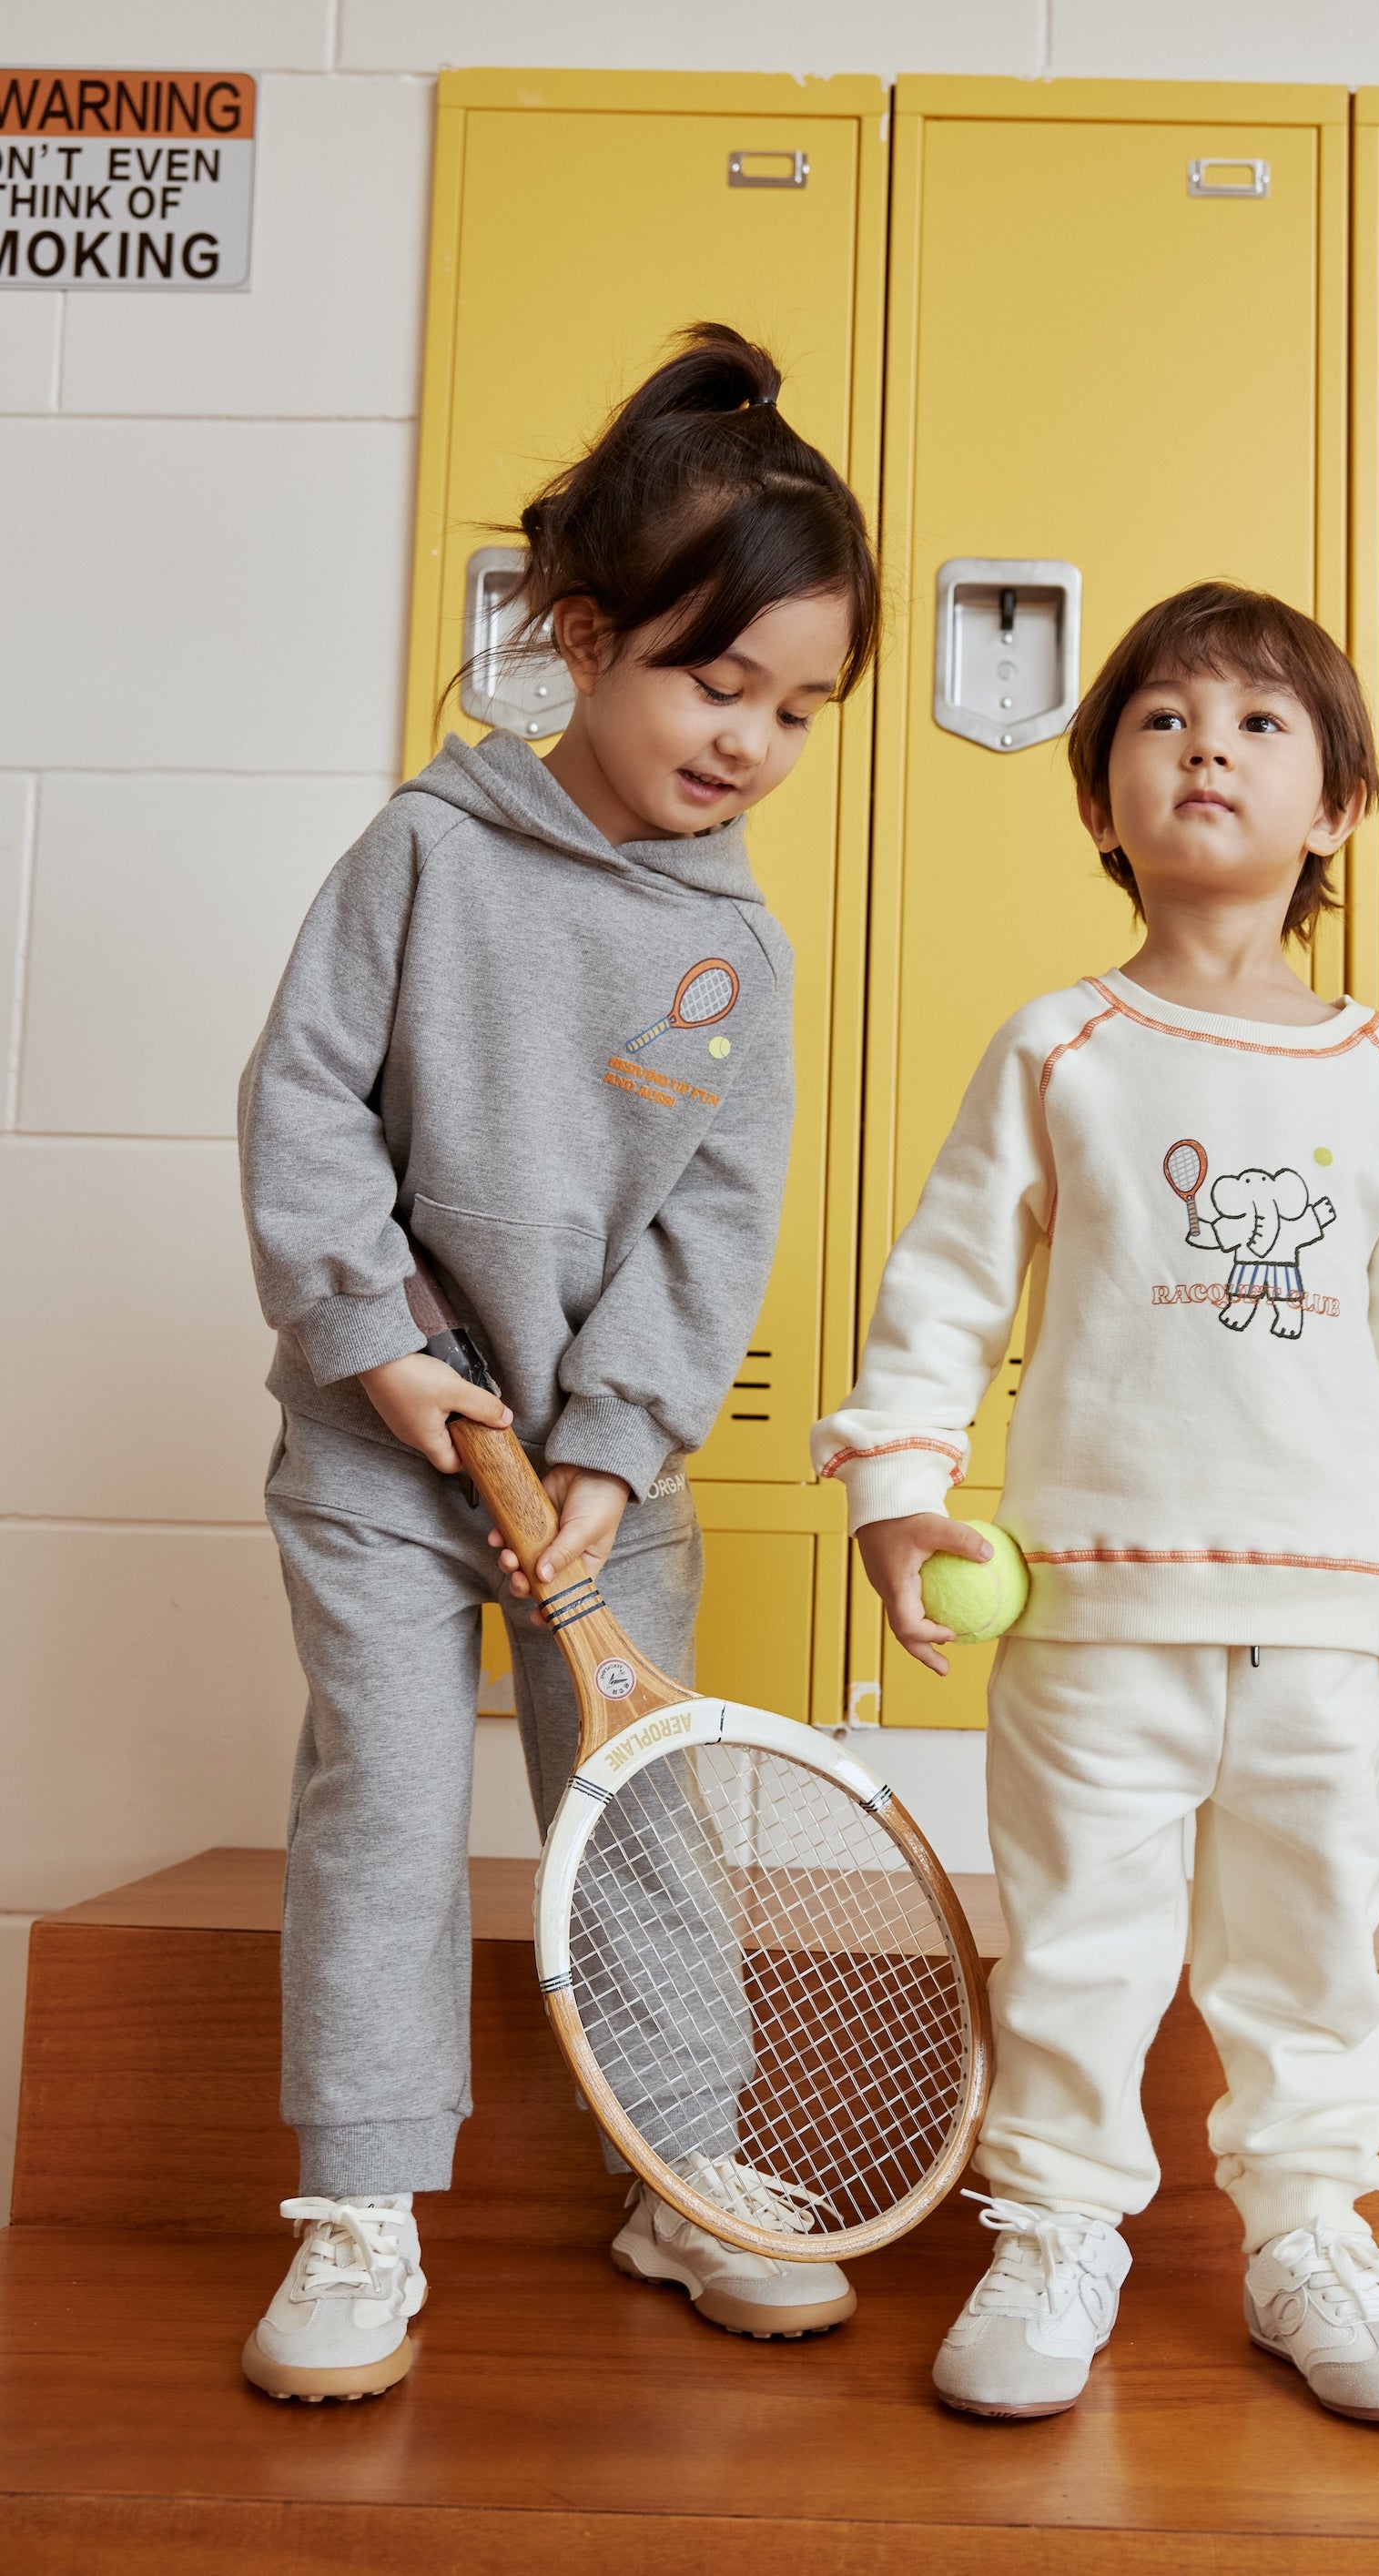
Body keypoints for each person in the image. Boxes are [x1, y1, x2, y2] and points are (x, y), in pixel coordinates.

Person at [812, 580, 1379, 2423]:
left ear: (1339, 810)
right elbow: (947, 1288)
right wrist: (902, 1486)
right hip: (1087, 1616)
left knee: (1309, 1950)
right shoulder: (1060, 1047)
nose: (1205, 743)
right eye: (1160, 719)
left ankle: (1309, 2234)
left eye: (1259, 722)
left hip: (1314, 1629)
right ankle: (1055, 2225)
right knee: (1080, 1948)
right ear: (1096, 803)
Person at [237, 324, 878, 2401]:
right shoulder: (422, 854)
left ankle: (683, 2165)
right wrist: (376, 1349)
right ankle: (356, 2209)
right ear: (583, 637)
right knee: (390, 1806)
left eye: (801, 707)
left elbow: (714, 1222)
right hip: (378, 1456)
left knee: (639, 1809)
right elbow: (308, 1105)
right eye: (718, 681)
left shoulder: (743, 948)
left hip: (602, 1489)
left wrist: (611, 1450)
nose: (753, 739)